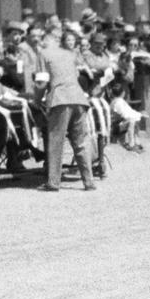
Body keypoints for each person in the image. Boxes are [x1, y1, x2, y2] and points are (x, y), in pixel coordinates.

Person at [37, 31, 96, 192]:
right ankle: (89, 181)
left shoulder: (43, 54)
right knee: (81, 141)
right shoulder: (69, 54)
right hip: (78, 98)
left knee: (56, 141)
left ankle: (53, 182)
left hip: (60, 99)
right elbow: (77, 75)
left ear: (45, 41)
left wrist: (36, 100)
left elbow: (42, 82)